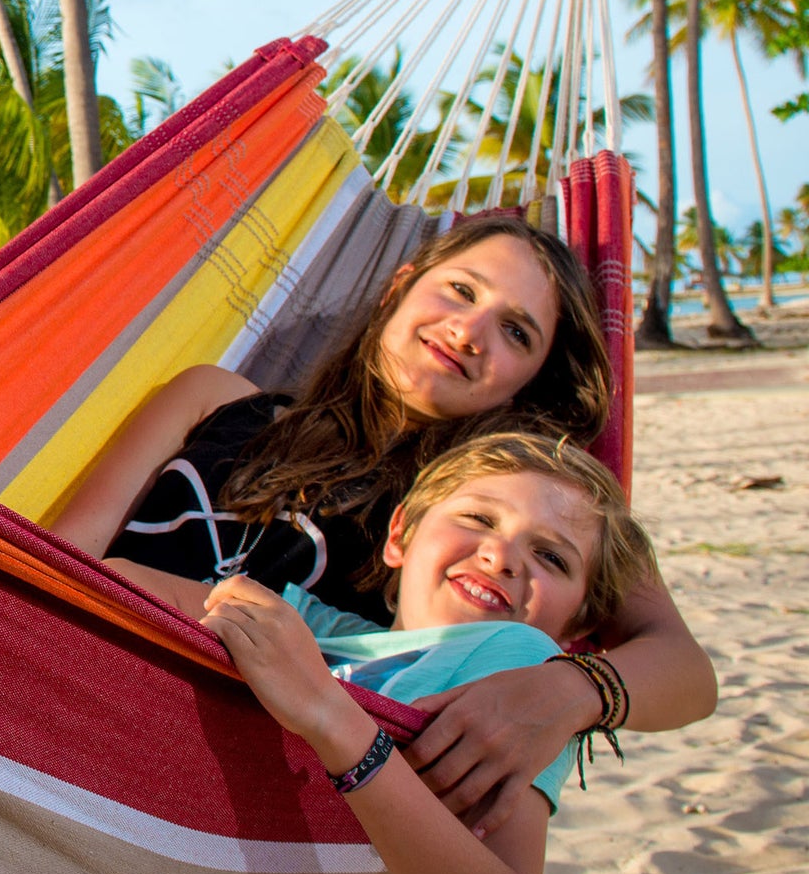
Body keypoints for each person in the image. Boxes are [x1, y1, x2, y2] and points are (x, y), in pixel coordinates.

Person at [50, 216, 716, 828]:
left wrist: (574, 689)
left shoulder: (477, 521)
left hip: (225, 799)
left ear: (531, 382)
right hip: (61, 705)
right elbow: (52, 564)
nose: (467, 331)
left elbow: (686, 672)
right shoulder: (210, 399)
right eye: (459, 290)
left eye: (516, 332)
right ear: (401, 287)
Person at [107, 433, 657, 874]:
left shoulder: (521, 665)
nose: (500, 556)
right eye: (479, 519)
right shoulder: (313, 620)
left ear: (578, 626)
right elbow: (121, 587)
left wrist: (333, 719)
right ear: (400, 536)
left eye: (551, 557)